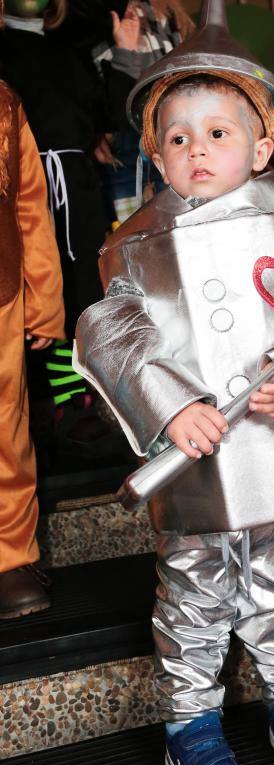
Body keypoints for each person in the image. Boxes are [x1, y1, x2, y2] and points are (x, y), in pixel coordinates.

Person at [73, 0, 274, 765]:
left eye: (218, 132)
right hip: (201, 459)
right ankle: (191, 724)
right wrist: (171, 402)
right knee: (195, 588)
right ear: (155, 153)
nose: (198, 150)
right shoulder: (134, 241)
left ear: (263, 143)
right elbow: (112, 328)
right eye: (177, 138)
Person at [0, 0, 117, 457]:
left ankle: (78, 400)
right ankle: (49, 403)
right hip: (22, 187)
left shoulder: (71, 48)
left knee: (82, 289)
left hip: (78, 186)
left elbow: (100, 115)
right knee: (32, 291)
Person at [0, 78, 65, 618]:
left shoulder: (3, 104)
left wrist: (43, 300)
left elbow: (29, 205)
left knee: (5, 428)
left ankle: (10, 557)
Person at [93, 0, 194, 223]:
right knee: (131, 235)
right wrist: (91, 130)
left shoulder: (166, 11)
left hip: (171, 138)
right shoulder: (90, 12)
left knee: (181, 226)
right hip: (123, 146)